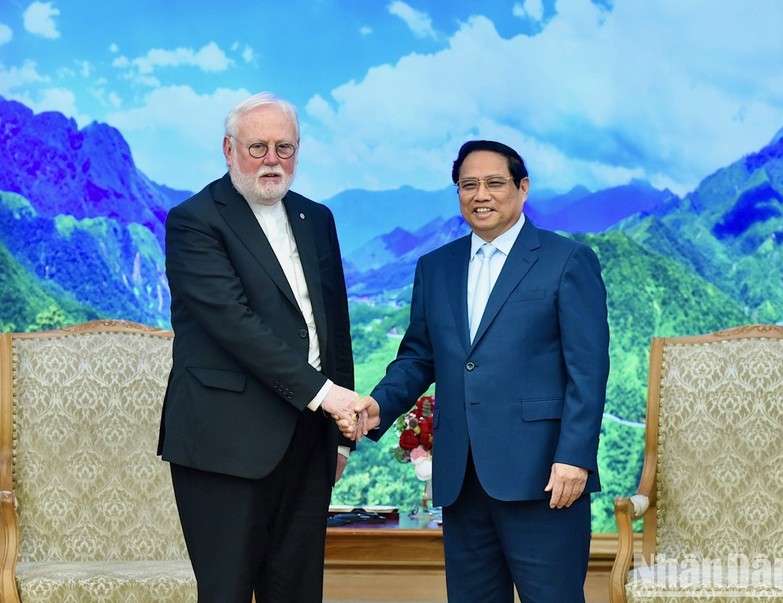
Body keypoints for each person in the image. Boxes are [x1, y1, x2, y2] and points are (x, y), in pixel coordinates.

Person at [350, 140, 610, 602]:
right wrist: (377, 405)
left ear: (523, 188)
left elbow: (588, 371)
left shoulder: (567, 260)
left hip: (545, 478)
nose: (480, 194)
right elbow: (418, 356)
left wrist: (576, 457)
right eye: (468, 185)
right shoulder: (436, 266)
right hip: (462, 478)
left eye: (494, 183)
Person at [158, 91, 361, 603]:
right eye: (258, 147)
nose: (272, 160)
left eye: (285, 148)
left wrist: (341, 437)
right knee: (226, 593)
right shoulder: (194, 221)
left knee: (297, 594)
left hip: (309, 441)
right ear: (229, 150)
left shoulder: (319, 218)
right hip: (224, 443)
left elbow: (333, 325)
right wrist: (327, 395)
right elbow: (234, 324)